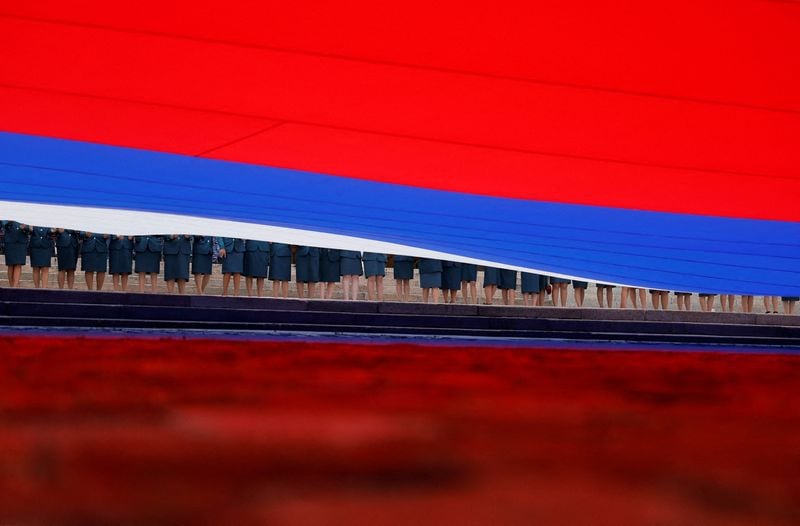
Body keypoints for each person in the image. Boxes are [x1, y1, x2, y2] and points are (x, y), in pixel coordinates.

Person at [2, 220, 29, 288]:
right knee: (10, 265)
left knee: (18, 264)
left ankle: (15, 287)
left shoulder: (25, 214)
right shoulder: (8, 212)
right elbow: (3, 224)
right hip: (10, 241)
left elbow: (29, 228)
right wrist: (10, 222)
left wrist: (25, 228)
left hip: (21, 242)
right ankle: (11, 287)